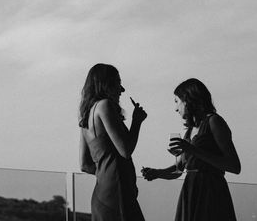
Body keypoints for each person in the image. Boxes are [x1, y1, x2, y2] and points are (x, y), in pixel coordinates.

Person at [141, 78, 241, 221]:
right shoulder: (189, 131)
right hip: (190, 190)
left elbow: (234, 166)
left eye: (177, 101)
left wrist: (192, 150)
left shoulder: (214, 122)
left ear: (188, 99)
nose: (175, 108)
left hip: (211, 192)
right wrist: (157, 173)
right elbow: (179, 170)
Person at [79, 63, 148, 221]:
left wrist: (105, 174)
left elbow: (84, 165)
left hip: (102, 195)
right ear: (106, 84)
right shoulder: (105, 106)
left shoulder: (86, 115)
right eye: (118, 83)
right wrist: (136, 122)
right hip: (118, 193)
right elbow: (125, 150)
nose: (122, 90)